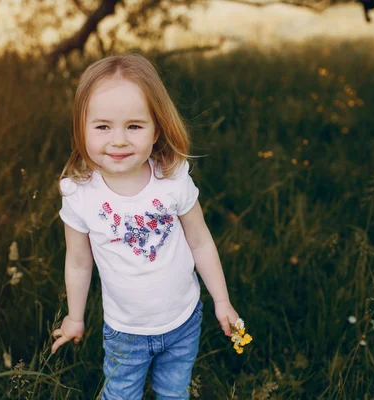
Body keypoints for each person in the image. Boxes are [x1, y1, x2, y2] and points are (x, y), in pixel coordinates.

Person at [51, 54, 239, 399]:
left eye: (134, 126)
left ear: (157, 129)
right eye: (102, 126)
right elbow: (78, 262)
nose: (118, 140)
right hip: (125, 332)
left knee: (174, 393)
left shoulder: (172, 179)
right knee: (120, 394)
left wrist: (222, 301)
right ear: (81, 127)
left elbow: (200, 242)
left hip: (184, 322)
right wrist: (75, 317)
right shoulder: (80, 194)